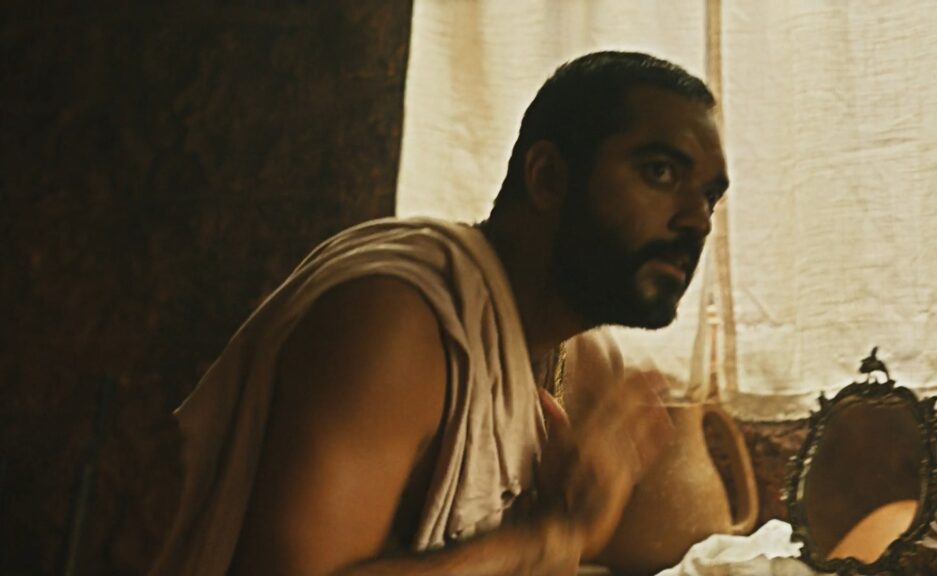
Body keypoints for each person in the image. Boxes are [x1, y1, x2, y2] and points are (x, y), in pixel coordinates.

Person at [150, 50, 729, 576]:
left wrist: (565, 526)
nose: (697, 220)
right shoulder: (399, 319)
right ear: (548, 178)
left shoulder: (584, 362)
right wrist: (545, 540)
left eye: (709, 196)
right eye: (660, 172)